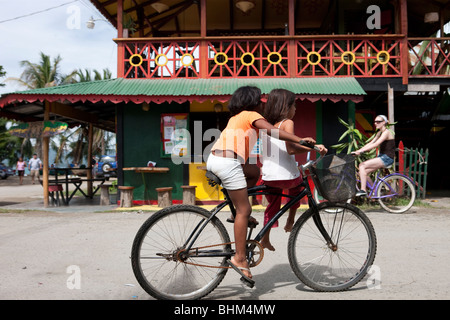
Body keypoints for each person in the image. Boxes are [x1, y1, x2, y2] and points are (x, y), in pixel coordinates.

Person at [206, 86, 317, 286]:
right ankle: (239, 258)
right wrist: (300, 140)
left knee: (253, 172)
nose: (262, 104)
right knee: (245, 209)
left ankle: (236, 212)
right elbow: (274, 132)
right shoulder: (251, 114)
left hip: (218, 159)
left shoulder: (236, 117)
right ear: (252, 102)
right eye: (259, 100)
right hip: (228, 163)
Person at [260, 89, 327, 251]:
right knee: (298, 188)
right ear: (286, 107)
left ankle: (265, 239)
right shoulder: (287, 123)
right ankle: (291, 219)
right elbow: (291, 149)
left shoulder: (265, 126)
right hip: (286, 175)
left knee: (273, 205)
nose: (295, 109)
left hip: (268, 175)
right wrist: (314, 148)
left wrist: (304, 144)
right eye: (294, 105)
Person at [352, 115, 395, 196]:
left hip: (387, 158)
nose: (376, 123)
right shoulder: (379, 132)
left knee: (361, 165)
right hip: (382, 157)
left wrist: (361, 151)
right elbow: (371, 143)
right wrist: (358, 151)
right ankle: (375, 191)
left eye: (378, 122)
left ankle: (363, 190)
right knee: (362, 172)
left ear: (384, 123)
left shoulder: (386, 132)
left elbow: (376, 144)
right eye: (375, 121)